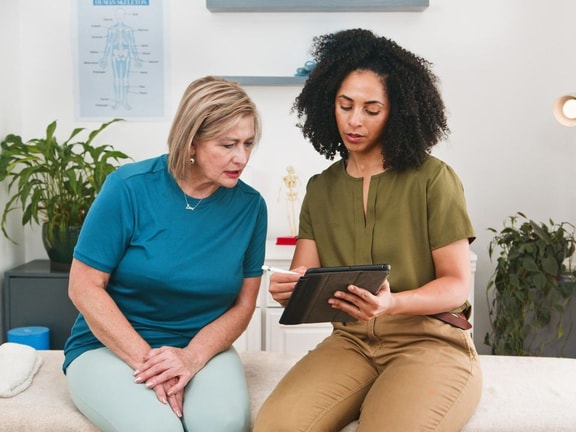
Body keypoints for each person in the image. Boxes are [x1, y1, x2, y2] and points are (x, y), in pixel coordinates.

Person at [253, 28, 482, 432]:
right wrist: (291, 288)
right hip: (352, 343)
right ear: (329, 105)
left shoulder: (433, 179)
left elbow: (456, 285)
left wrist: (392, 304)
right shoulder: (321, 188)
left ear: (398, 112)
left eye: (371, 109)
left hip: (430, 343)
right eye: (345, 106)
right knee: (275, 426)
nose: (354, 121)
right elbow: (306, 275)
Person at [63, 76, 267, 432]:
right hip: (108, 347)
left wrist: (190, 357)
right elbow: (83, 287)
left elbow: (243, 304)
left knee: (222, 424)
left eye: (248, 143)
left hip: (201, 349)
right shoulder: (128, 188)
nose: (242, 157)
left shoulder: (250, 207)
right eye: (228, 144)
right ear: (192, 141)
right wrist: (151, 364)